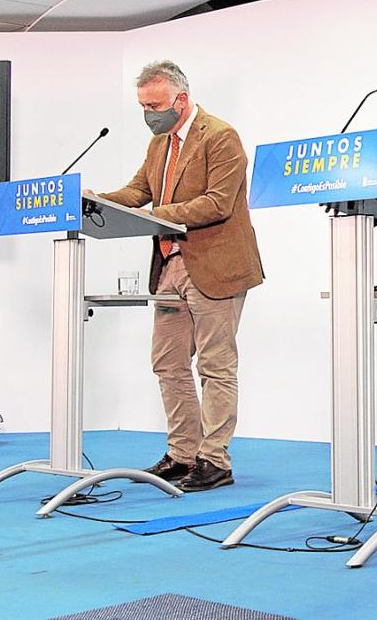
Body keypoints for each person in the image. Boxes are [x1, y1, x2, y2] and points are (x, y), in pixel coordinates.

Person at [95, 60, 263, 492]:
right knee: (168, 364)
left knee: (215, 366)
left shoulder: (221, 137)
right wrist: (98, 200)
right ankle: (182, 453)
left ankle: (215, 460)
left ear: (181, 99)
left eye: (155, 105)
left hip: (216, 266)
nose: (149, 114)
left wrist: (155, 216)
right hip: (170, 265)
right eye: (143, 106)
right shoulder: (159, 144)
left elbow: (218, 203)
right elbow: (138, 192)